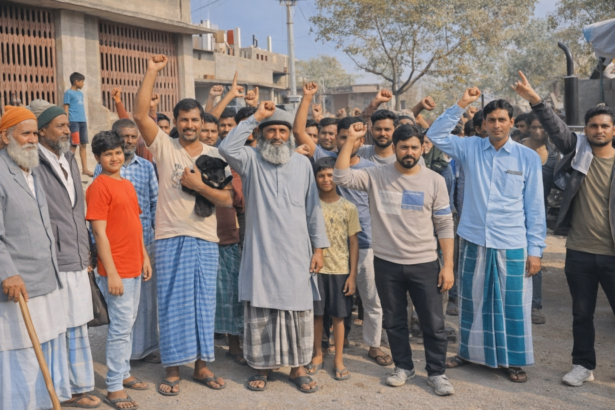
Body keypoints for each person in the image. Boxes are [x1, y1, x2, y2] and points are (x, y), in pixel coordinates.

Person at [427, 87, 546, 383]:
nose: (496, 125)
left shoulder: (527, 158)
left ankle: (513, 360)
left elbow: (534, 208)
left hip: (512, 243)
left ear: (511, 122)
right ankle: (468, 353)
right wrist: (461, 103)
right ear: (484, 124)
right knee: (472, 302)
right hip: (474, 239)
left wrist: (535, 251)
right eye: (491, 120)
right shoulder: (470, 148)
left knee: (513, 306)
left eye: (502, 119)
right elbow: (435, 135)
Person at [133, 55, 233, 396]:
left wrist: (200, 186)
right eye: (184, 119)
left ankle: (202, 366)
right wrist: (152, 71)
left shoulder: (215, 155)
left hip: (205, 238)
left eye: (195, 119)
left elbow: (227, 199)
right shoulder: (164, 146)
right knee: (172, 303)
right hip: (170, 236)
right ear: (175, 121)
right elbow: (139, 115)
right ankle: (173, 369)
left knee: (204, 303)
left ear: (202, 121)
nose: (190, 124)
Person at [334, 122, 455, 396]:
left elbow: (444, 224)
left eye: (414, 147)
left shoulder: (434, 180)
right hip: (386, 263)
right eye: (404, 147)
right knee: (394, 320)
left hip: (424, 263)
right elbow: (340, 177)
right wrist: (350, 139)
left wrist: (447, 266)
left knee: (433, 323)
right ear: (395, 147)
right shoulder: (375, 175)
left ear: (423, 148)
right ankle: (403, 367)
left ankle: (437, 373)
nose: (409, 152)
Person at [512, 71, 615, 386]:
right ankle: (582, 365)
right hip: (580, 252)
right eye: (593, 126)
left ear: (613, 130)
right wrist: (535, 99)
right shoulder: (578, 151)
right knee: (581, 314)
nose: (599, 130)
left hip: (612, 254)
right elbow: (556, 127)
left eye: (605, 126)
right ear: (586, 129)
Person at [219, 101, 329, 393]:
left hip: (297, 252)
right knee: (262, 307)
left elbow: (313, 209)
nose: (277, 136)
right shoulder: (250, 160)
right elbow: (226, 148)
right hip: (262, 251)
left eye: (283, 130)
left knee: (297, 309)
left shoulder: (303, 164)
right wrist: (255, 116)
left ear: (290, 134)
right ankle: (262, 367)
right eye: (271, 130)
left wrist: (319, 248)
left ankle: (297, 368)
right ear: (260, 133)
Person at [293, 82, 392, 368]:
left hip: (365, 242)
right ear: (336, 139)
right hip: (327, 245)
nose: (348, 141)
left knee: (370, 298)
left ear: (362, 140)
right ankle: (325, 347)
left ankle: (373, 345)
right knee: (327, 300)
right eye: (342, 136)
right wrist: (307, 97)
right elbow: (299, 131)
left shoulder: (372, 168)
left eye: (353, 137)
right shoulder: (326, 162)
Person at [0, 106, 72, 410]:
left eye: (34, 134)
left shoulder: (31, 168)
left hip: (45, 279)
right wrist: (8, 273)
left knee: (46, 347)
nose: (32, 140)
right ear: (6, 137)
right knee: (22, 355)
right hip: (19, 284)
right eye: (25, 134)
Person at [30, 101, 100, 408]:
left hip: (76, 252)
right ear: (42, 130)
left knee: (77, 322)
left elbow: (77, 209)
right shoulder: (32, 161)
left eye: (67, 125)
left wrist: (87, 250)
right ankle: (60, 390)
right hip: (53, 256)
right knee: (57, 325)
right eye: (59, 126)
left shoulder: (69, 157)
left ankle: (79, 386)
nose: (66, 131)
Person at [87, 131, 152, 410]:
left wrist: (144, 257)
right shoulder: (98, 187)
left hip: (134, 263)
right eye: (107, 154)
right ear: (97, 158)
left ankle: (123, 373)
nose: (114, 158)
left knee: (128, 323)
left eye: (117, 152)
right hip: (117, 268)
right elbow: (99, 233)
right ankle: (114, 387)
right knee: (120, 328)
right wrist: (111, 272)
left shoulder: (126, 184)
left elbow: (135, 224)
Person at [93, 119, 160, 364]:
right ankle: (120, 368)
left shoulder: (144, 168)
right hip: (115, 251)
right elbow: (98, 226)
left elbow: (153, 205)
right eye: (124, 137)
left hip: (142, 245)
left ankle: (144, 350)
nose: (129, 141)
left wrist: (148, 251)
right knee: (122, 316)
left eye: (133, 137)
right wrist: (102, 261)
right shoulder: (101, 176)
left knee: (142, 307)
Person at [309, 157, 359, 380]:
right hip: (315, 269)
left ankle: (338, 358)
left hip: (340, 269)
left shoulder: (349, 207)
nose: (326, 179)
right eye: (321, 175)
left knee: (339, 316)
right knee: (317, 315)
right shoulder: (310, 206)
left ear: (337, 177)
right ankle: (317, 354)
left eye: (330, 175)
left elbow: (354, 243)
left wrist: (352, 275)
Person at [521, 110, 558, 325]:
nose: (537, 131)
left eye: (541, 127)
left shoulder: (553, 155)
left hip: (538, 211)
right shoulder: (517, 149)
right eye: (534, 127)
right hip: (515, 211)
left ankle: (535, 305)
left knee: (535, 255)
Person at [63, 72, 93, 177]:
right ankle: (69, 168)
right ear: (76, 82)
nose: (83, 84)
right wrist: (66, 122)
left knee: (83, 144)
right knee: (73, 145)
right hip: (73, 122)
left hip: (82, 121)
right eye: (82, 82)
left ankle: (85, 169)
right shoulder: (68, 93)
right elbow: (66, 108)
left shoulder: (80, 94)